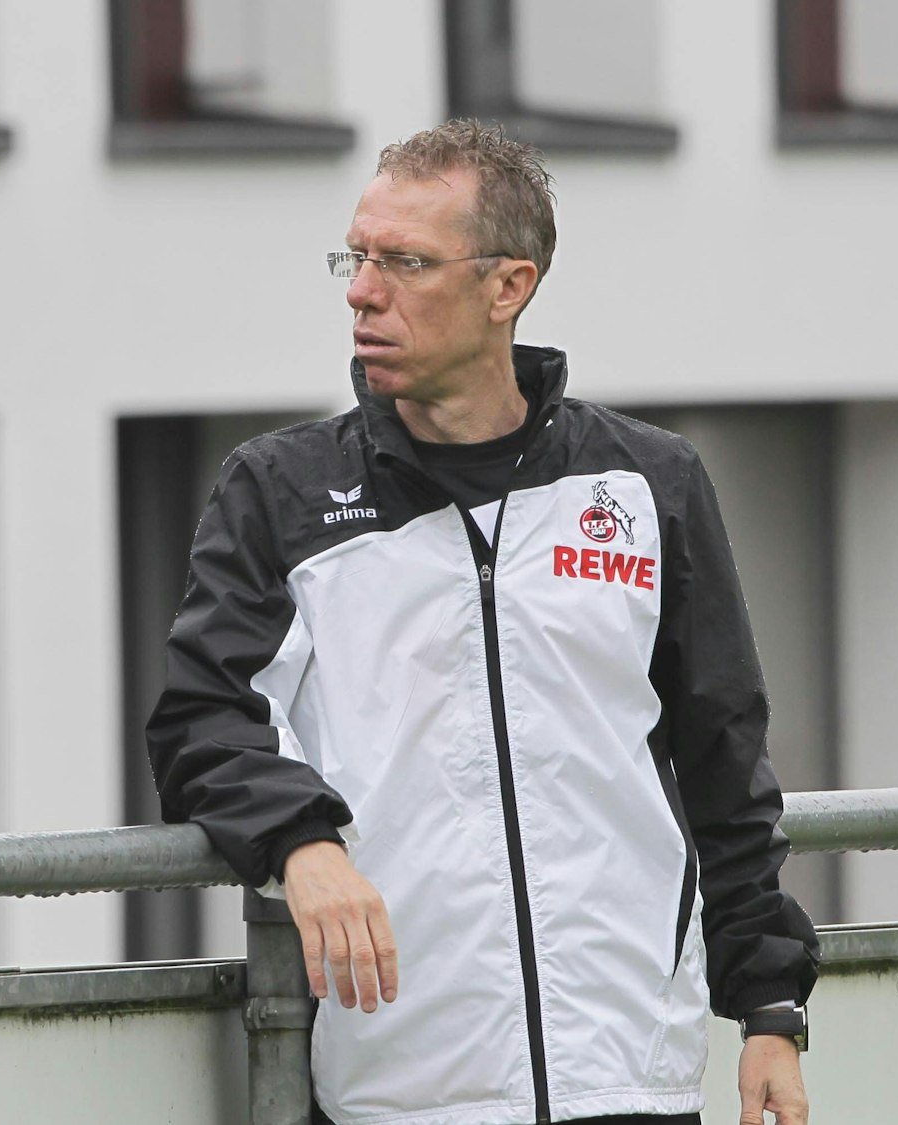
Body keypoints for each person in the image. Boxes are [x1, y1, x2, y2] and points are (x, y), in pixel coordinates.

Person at [146, 120, 819, 1125]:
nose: (361, 292)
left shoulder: (648, 483)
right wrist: (302, 844)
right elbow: (202, 720)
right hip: (401, 1084)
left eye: (404, 263)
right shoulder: (280, 493)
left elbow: (722, 756)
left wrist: (767, 1007)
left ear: (508, 286)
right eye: (356, 257)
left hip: (627, 1073)